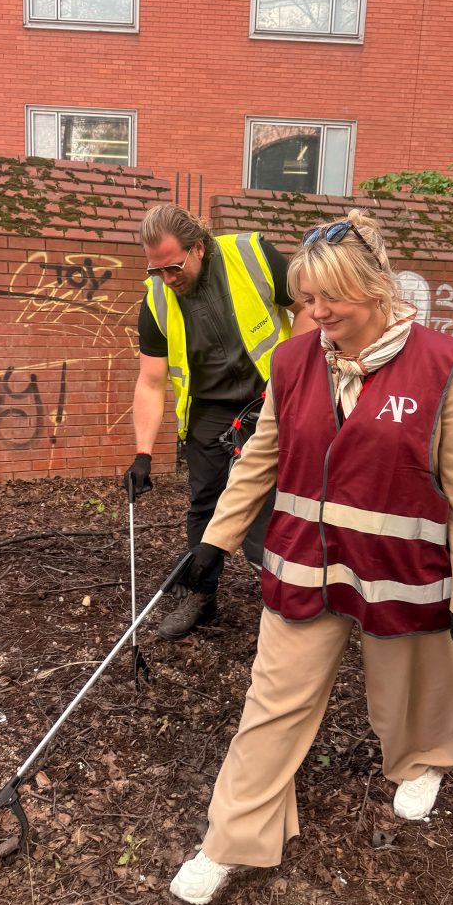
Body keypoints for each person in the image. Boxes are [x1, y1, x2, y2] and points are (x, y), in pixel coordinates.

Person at [167, 210, 453, 905]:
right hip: (304, 564)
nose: (313, 314)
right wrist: (213, 542)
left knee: (411, 690)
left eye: (328, 300)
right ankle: (231, 837)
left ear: (375, 289)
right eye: (304, 300)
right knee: (271, 705)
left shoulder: (442, 364)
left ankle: (422, 760)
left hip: (401, 569)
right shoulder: (292, 359)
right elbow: (261, 458)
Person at [123, 203, 310, 641]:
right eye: (155, 270)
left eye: (172, 267)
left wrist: (290, 373)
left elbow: (307, 306)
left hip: (270, 396)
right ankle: (201, 596)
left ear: (199, 248)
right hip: (208, 409)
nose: (166, 279)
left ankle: (280, 596)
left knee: (273, 499)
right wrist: (143, 454)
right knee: (204, 503)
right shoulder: (155, 301)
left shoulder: (254, 255)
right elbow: (150, 382)